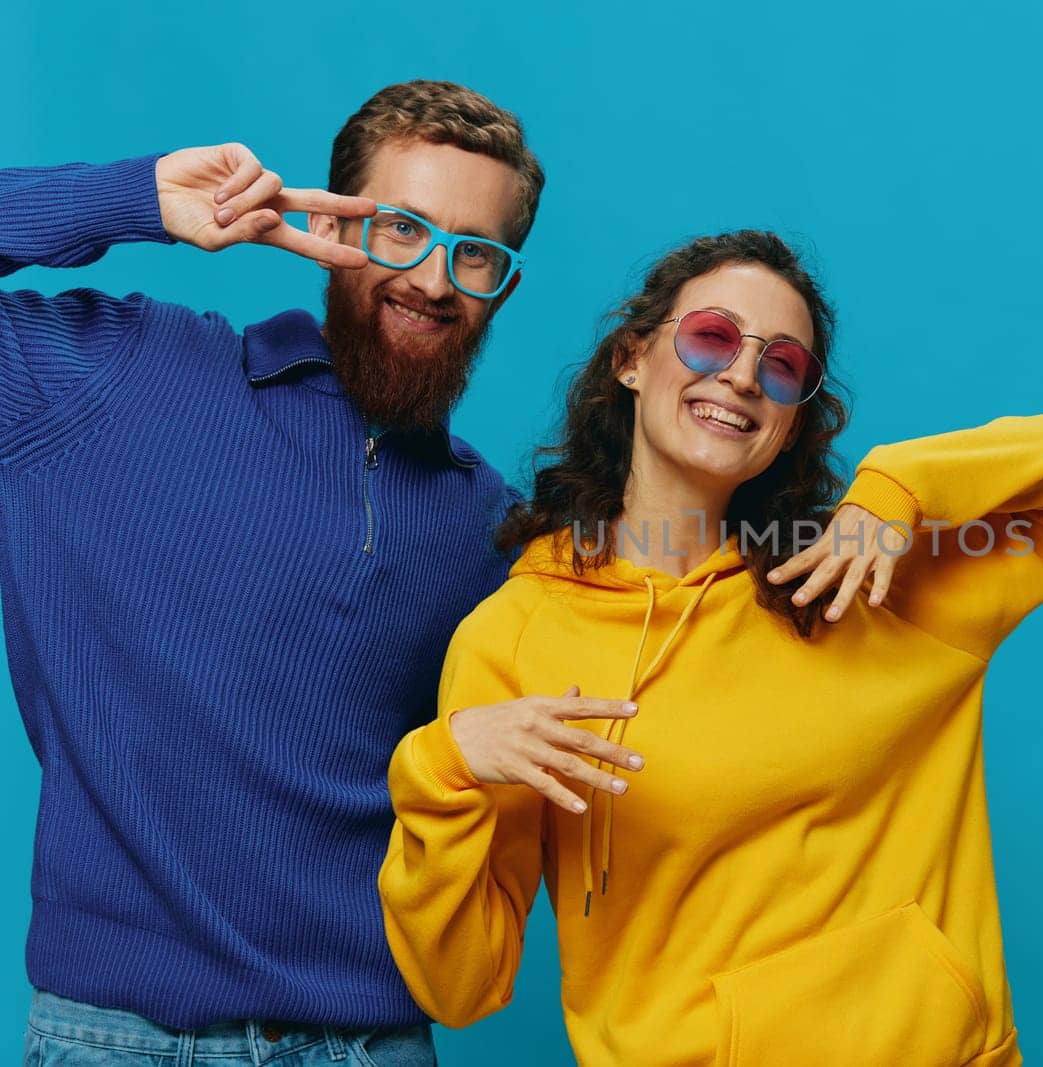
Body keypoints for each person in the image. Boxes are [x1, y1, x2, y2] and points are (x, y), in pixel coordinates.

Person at [378, 230, 1043, 1066]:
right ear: (633, 359)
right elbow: (459, 987)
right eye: (712, 336)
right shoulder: (515, 636)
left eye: (783, 366)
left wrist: (902, 488)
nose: (742, 374)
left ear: (791, 419)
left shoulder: (863, 583)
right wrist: (442, 768)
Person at [0, 80, 638, 1065]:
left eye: (474, 251)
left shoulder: (488, 528)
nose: (432, 278)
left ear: (503, 284)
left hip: (373, 1043)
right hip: (115, 1036)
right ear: (331, 224)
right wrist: (134, 201)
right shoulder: (110, 380)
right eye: (400, 229)